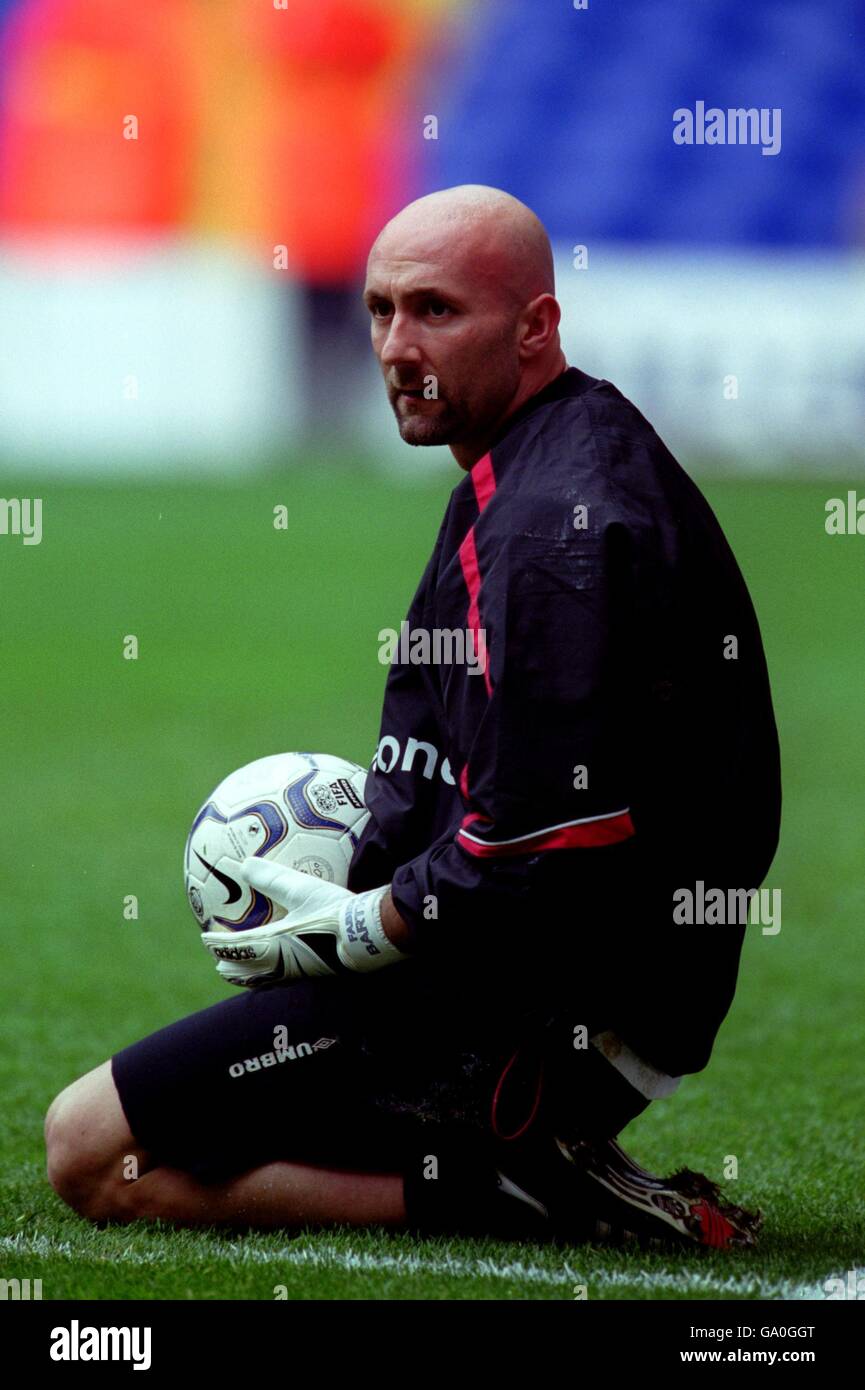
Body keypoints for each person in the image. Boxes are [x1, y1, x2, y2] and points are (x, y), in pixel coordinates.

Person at [44, 185, 780, 1248]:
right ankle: (520, 1154)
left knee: (92, 1152)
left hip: (544, 1005)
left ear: (535, 326)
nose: (397, 344)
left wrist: (350, 930)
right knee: (187, 1106)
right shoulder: (551, 454)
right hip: (576, 968)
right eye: (380, 309)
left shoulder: (544, 531)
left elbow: (538, 844)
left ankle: (520, 1184)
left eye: (436, 310)